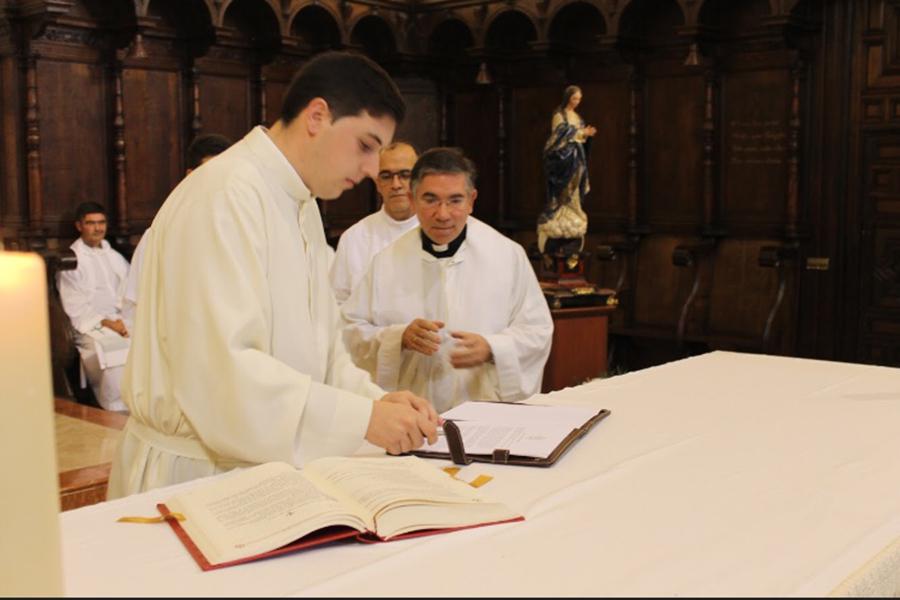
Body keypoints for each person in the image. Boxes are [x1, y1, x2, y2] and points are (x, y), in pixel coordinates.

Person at [107, 51, 439, 499]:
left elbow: (321, 353)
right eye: (365, 145)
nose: (370, 170)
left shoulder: (297, 204)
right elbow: (224, 374)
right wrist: (362, 420)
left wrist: (375, 400)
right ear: (317, 116)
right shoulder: (225, 195)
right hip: (196, 477)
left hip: (262, 466)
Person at [341, 147, 554, 413]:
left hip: (485, 413)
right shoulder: (386, 262)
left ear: (471, 200)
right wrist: (399, 338)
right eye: (430, 199)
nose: (442, 214)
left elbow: (537, 332)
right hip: (413, 416)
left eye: (455, 200)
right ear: (412, 198)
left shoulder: (507, 256)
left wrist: (492, 348)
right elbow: (349, 331)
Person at [120, 133, 233, 328]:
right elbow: (137, 308)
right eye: (213, 171)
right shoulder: (161, 234)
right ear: (191, 175)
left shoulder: (241, 228)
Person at [57, 201, 131, 412]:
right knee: (114, 351)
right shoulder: (72, 260)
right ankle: (116, 409)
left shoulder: (114, 256)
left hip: (121, 320)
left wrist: (125, 320)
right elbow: (75, 305)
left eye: (101, 223)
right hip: (91, 324)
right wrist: (109, 323)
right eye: (91, 223)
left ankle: (141, 407)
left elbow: (130, 292)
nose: (98, 228)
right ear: (79, 226)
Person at [330, 141, 419, 304]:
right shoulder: (354, 239)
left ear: (419, 180)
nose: (396, 185)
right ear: (378, 183)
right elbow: (337, 304)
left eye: (405, 175)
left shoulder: (439, 231)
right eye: (386, 176)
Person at [537, 85, 596, 257]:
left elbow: (579, 136)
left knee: (575, 186)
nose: (577, 102)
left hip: (576, 158)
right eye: (574, 98)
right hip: (562, 159)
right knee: (562, 189)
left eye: (579, 99)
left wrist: (586, 134)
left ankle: (574, 213)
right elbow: (558, 136)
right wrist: (580, 132)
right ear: (568, 98)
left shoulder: (577, 117)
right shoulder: (559, 115)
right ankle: (558, 214)